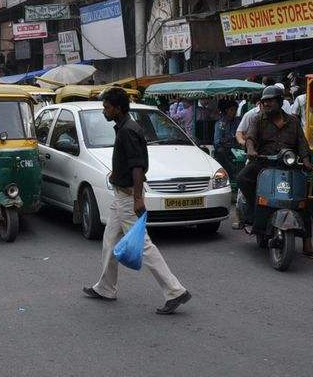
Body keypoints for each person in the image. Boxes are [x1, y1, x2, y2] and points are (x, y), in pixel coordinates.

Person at [84, 87, 191, 314]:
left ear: (118, 108)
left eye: (106, 107)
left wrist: (137, 198)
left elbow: (137, 167)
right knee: (110, 241)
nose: (104, 110)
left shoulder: (128, 131)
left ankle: (175, 291)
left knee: (143, 246)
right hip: (120, 196)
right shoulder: (124, 127)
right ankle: (106, 287)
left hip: (127, 197)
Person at [236, 85, 313, 260]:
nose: (267, 104)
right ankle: (253, 210)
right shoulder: (257, 120)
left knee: (302, 201)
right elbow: (250, 138)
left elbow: (302, 144)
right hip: (264, 163)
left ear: (280, 102)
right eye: (264, 101)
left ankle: (307, 244)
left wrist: (306, 161)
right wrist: (251, 149)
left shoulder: (293, 121)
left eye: (270, 101)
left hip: (289, 165)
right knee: (242, 178)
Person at [212, 99, 239, 180]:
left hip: (236, 147)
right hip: (225, 148)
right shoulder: (220, 123)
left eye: (235, 110)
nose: (234, 112)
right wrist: (230, 139)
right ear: (226, 110)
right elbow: (217, 141)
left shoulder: (237, 121)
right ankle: (233, 172)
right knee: (221, 152)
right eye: (232, 110)